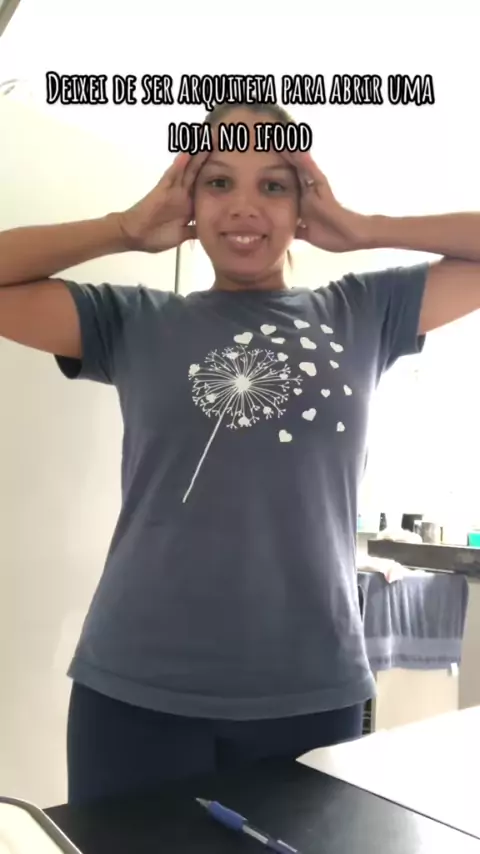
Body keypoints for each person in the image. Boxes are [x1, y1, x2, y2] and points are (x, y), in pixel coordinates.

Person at [1, 101, 479, 806]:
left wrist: (366, 228)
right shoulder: (133, 321)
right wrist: (124, 229)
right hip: (135, 694)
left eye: (274, 185)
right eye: (219, 182)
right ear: (189, 202)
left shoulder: (363, 310)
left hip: (310, 691)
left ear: (303, 206)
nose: (243, 206)